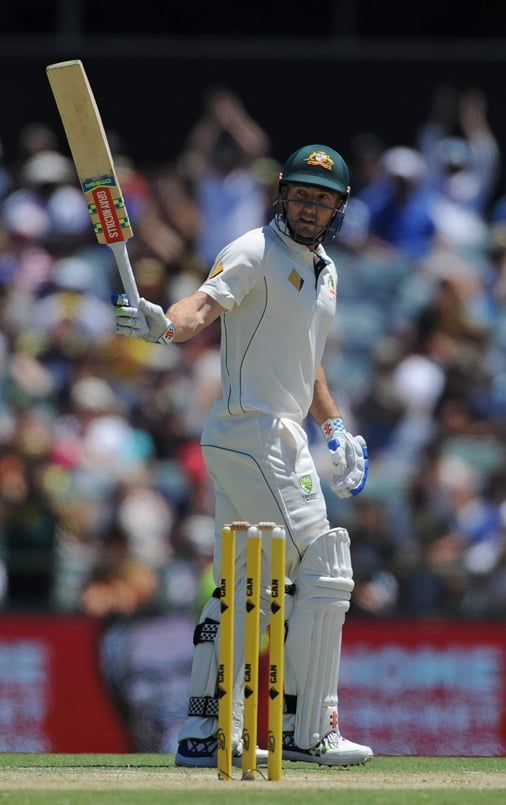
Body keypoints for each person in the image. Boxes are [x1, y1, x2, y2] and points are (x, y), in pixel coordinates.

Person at [113, 144, 373, 769]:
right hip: (252, 432)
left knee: (245, 585)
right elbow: (202, 307)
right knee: (326, 568)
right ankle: (307, 731)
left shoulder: (325, 270)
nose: (310, 207)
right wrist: (164, 326)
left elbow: (305, 362)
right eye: (303, 194)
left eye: (324, 199)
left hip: (276, 436)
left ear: (338, 209)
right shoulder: (254, 250)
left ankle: (203, 735)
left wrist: (333, 426)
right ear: (282, 192)